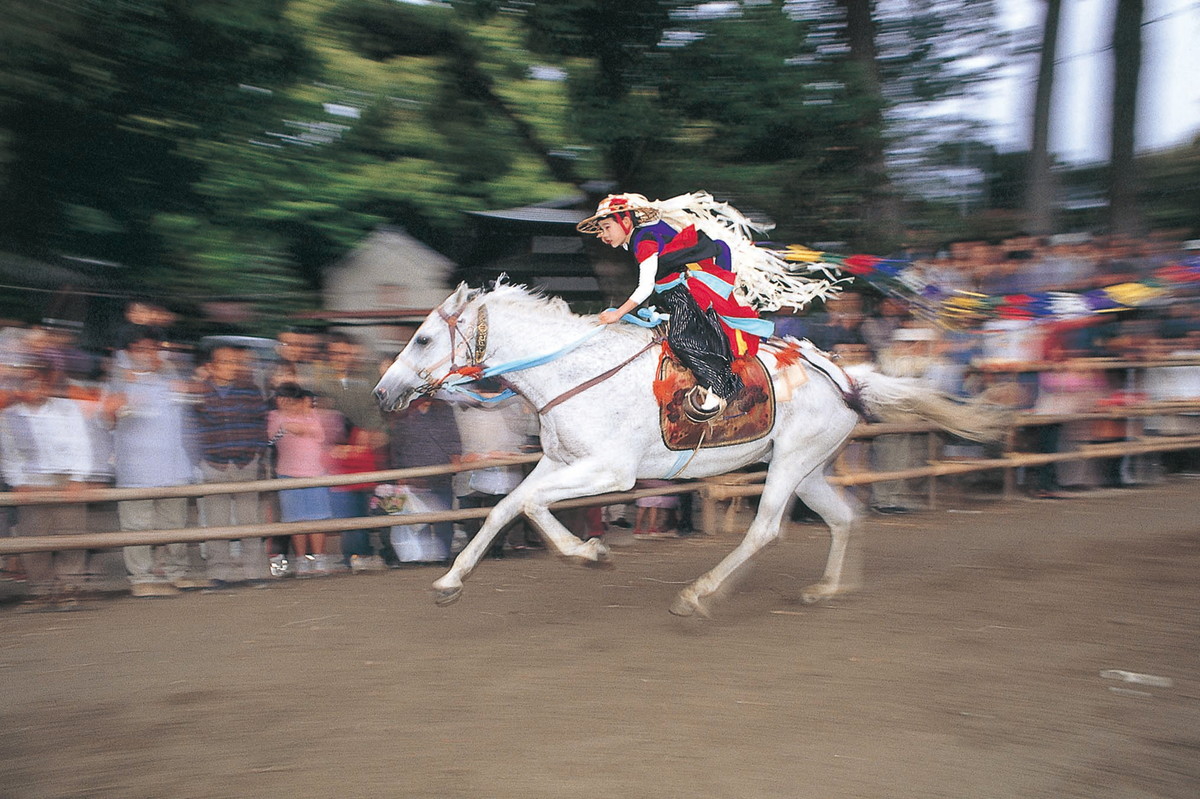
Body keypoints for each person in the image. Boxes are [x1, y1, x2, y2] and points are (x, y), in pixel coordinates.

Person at [578, 192, 792, 422]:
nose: (603, 235)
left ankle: (723, 389)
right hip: (672, 296)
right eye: (601, 230)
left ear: (626, 221)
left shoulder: (645, 241)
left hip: (683, 295)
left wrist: (618, 313)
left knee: (682, 340)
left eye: (607, 227)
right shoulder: (640, 239)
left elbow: (646, 286)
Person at [102, 325, 207, 597]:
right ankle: (141, 578)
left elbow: (194, 403)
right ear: (127, 352)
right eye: (140, 348)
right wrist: (114, 406)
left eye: (153, 348)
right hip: (136, 469)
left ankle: (177, 573)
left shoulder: (168, 380)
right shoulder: (119, 382)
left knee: (175, 524)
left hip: (174, 466)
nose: (148, 354)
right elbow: (105, 419)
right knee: (137, 525)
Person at [0, 361, 94, 609]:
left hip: (65, 478)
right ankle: (40, 589)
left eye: (39, 380)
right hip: (32, 482)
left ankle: (70, 587)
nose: (35, 386)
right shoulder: (9, 417)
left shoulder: (66, 409)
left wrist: (77, 478)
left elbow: (80, 443)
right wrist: (18, 483)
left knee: (71, 534)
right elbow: (9, 454)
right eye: (28, 382)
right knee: (34, 537)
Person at [192, 343, 271, 586]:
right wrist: (199, 457)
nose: (231, 367)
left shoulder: (250, 390)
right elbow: (192, 429)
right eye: (225, 362)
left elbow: (261, 425)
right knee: (216, 523)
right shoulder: (199, 392)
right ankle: (219, 573)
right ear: (210, 366)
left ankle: (255, 572)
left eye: (234, 362)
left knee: (250, 521)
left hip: (246, 462)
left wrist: (256, 453)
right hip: (213, 463)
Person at [314, 332, 389, 571]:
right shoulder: (319, 380)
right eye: (336, 353)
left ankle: (380, 553)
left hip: (371, 451)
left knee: (375, 505)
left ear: (354, 353)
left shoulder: (370, 376)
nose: (341, 357)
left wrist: (378, 432)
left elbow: (381, 409)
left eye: (346, 352)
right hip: (337, 454)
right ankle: (354, 556)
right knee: (347, 507)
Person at [268, 382, 334, 577]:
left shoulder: (312, 414)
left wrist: (298, 424)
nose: (286, 403)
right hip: (288, 473)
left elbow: (319, 435)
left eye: (290, 400)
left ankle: (319, 558)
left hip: (315, 473)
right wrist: (290, 425)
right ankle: (301, 559)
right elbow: (272, 437)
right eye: (281, 399)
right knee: (295, 519)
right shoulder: (274, 416)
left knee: (317, 518)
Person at [388, 396, 461, 562]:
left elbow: (453, 436)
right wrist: (400, 473)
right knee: (418, 518)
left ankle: (444, 554)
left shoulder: (444, 410)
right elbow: (397, 445)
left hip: (440, 474)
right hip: (414, 475)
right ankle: (422, 555)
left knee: (444, 517)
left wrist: (455, 457)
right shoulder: (403, 415)